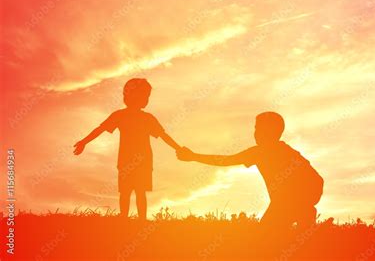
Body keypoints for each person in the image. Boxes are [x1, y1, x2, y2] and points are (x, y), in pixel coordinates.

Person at [177, 111, 323, 229]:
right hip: (302, 196)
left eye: (258, 128)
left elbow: (226, 160)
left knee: (265, 236)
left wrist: (194, 156)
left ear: (269, 131)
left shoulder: (261, 152)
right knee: (278, 231)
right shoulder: (286, 150)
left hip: (288, 201)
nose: (255, 132)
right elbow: (316, 178)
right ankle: (305, 217)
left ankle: (304, 218)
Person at [73, 78, 181, 220]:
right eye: (145, 96)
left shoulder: (128, 116)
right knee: (135, 192)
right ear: (139, 97)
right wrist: (178, 148)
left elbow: (101, 129)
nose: (146, 99)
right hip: (136, 160)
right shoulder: (136, 117)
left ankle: (128, 219)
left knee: (128, 192)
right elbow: (163, 136)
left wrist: (84, 142)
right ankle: (134, 220)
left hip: (132, 160)